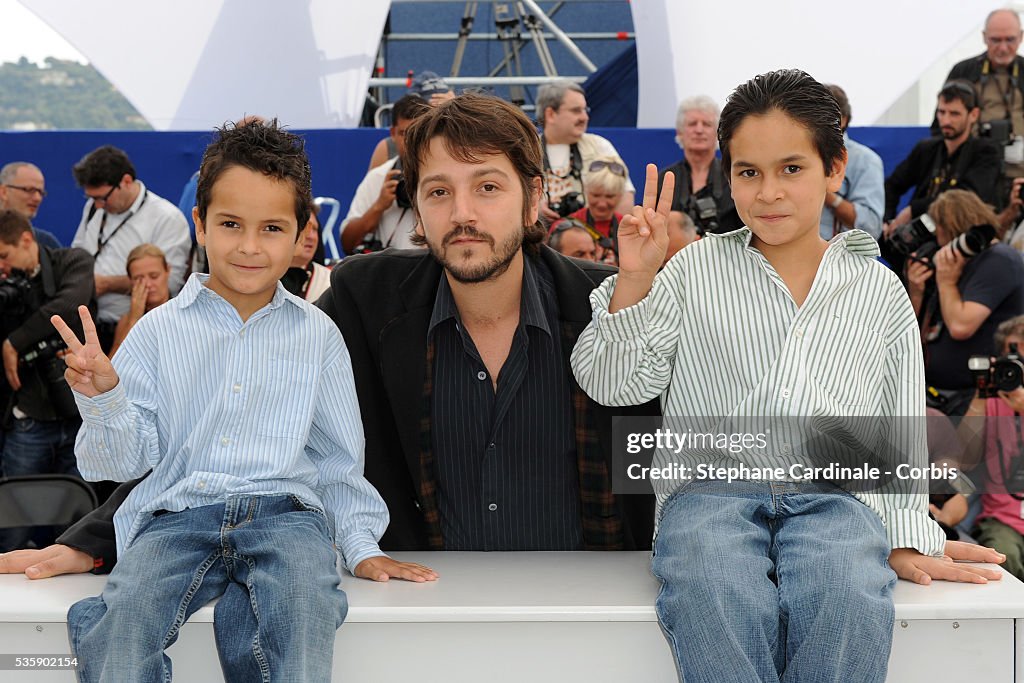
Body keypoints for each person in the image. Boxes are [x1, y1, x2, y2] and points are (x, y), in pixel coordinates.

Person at [0, 94, 657, 579]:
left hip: (587, 610)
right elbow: (234, 424)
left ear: (533, 193)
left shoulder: (611, 299)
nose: (462, 213)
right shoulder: (370, 302)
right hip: (414, 616)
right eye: (437, 190)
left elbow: (673, 460)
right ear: (415, 208)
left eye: (487, 186)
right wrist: (97, 537)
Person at [570, 69, 1004, 683]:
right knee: (712, 587)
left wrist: (908, 537)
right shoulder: (692, 270)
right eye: (749, 172)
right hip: (708, 493)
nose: (769, 191)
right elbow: (613, 385)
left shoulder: (876, 289)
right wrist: (635, 281)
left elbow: (895, 425)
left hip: (837, 497)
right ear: (728, 174)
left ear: (835, 168)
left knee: (851, 591)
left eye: (791, 169)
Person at [50, 120, 436, 682]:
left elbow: (338, 457)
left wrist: (359, 545)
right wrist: (105, 398)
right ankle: (103, 622)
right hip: (175, 517)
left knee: (304, 623)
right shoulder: (158, 331)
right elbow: (118, 465)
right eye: (231, 224)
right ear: (200, 224)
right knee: (124, 629)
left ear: (303, 232)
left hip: (289, 521)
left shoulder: (318, 334)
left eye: (272, 228)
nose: (250, 247)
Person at [0, 209, 95, 552]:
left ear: (26, 239)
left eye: (4, 255)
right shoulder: (6, 284)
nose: (3, 266)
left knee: (76, 529)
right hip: (28, 418)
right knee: (10, 523)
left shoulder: (73, 261)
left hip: (78, 416)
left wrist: (14, 342)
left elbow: (71, 304)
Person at [905, 189, 1024, 417]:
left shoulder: (999, 259)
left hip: (974, 398)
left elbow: (961, 326)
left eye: (939, 228)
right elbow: (914, 336)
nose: (937, 240)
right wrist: (918, 293)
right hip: (937, 393)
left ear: (951, 226)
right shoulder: (958, 264)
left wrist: (946, 281)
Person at [70, 145, 191, 353]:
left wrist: (107, 284)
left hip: (139, 332)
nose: (97, 205)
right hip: (88, 326)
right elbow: (77, 255)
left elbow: (168, 284)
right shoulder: (92, 207)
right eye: (92, 198)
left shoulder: (167, 218)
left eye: (102, 198)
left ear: (126, 181)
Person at [884, 82, 1001, 235]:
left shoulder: (986, 152)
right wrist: (886, 219)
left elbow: (965, 197)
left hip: (962, 235)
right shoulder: (926, 149)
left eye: (954, 114)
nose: (946, 121)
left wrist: (913, 209)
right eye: (941, 112)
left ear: (973, 115)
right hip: (920, 235)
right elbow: (892, 185)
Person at [957, 315, 1024, 580]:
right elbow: (964, 459)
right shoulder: (992, 400)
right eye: (1014, 354)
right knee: (1002, 557)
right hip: (1003, 520)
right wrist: (982, 394)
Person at [941, 9, 1024, 197]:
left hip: (1019, 174)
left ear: (1021, 37)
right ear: (984, 37)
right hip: (971, 171)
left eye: (1010, 40)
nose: (1003, 48)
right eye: (996, 40)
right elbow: (940, 126)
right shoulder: (964, 71)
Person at [340, 95, 431, 253]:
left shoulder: (445, 177)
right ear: (393, 133)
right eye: (404, 133)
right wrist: (378, 207)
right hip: (391, 273)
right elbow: (347, 243)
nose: (411, 140)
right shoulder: (378, 178)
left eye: (418, 132)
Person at [536, 80, 635, 222]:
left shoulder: (599, 146)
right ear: (551, 114)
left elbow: (625, 196)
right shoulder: (527, 150)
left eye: (585, 110)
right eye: (576, 111)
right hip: (539, 238)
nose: (585, 117)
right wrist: (531, 208)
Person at [657, 96, 742, 235]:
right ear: (680, 132)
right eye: (692, 124)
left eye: (707, 124)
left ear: (717, 133)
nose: (699, 130)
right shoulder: (666, 178)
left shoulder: (733, 174)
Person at [819, 84, 885, 240]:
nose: (817, 122)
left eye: (824, 115)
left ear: (843, 119)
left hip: (846, 259)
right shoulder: (796, 157)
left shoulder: (866, 161)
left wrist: (828, 196)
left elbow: (871, 227)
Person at [367, 71, 454, 171]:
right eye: (430, 109)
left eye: (442, 108)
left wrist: (458, 113)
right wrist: (382, 186)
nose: (436, 116)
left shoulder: (461, 138)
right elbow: (371, 185)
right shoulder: (389, 147)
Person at [108, 244, 171, 357]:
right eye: (138, 279)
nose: (147, 284)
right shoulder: (127, 321)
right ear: (130, 281)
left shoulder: (186, 310)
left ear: (168, 271)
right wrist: (134, 319)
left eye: (154, 276)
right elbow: (112, 366)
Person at [568, 155, 627, 263]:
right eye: (596, 195)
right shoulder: (568, 226)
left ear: (621, 195)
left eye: (610, 196)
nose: (602, 204)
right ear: (586, 191)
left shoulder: (628, 227)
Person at [0, 162, 61, 249]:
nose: (37, 198)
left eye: (41, 192)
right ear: (4, 192)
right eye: (29, 190)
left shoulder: (46, 244)